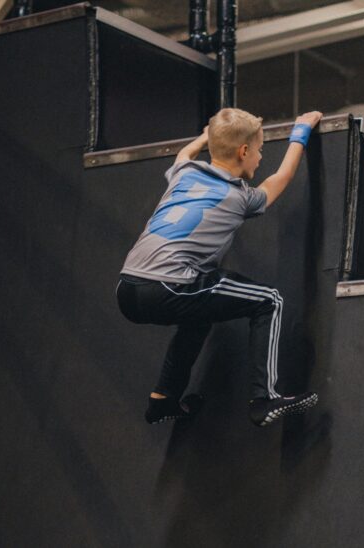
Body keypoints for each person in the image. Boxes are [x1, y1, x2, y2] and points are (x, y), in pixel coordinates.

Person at [116, 107, 322, 427]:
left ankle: (163, 400)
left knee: (199, 315)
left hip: (128, 288)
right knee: (270, 300)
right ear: (243, 151)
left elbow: (186, 152)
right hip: (169, 285)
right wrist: (301, 131)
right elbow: (281, 178)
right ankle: (264, 399)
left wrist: (208, 137)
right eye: (259, 150)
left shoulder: (183, 172)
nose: (260, 158)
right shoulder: (239, 195)